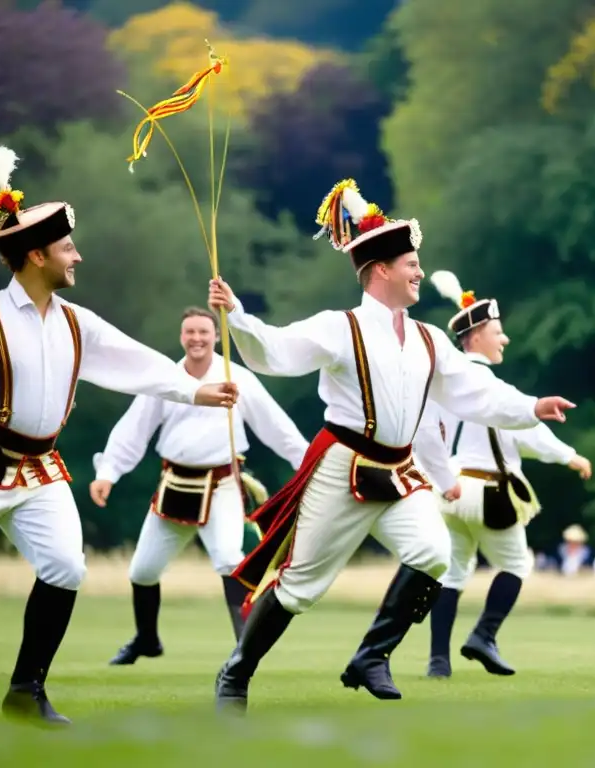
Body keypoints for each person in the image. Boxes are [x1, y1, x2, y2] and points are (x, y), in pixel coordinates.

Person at [208, 178, 576, 709]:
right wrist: (237, 315)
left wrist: (531, 407)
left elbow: (477, 390)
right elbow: (275, 351)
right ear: (380, 270)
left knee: (434, 553)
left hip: (399, 471)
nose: (420, 272)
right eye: (411, 265)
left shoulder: (428, 338)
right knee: (300, 588)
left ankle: (370, 657)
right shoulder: (341, 327)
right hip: (342, 466)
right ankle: (236, 675)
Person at [0, 144, 236, 726]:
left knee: (66, 569)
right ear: (34, 254)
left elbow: (137, 362)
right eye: (67, 247)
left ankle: (26, 692)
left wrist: (197, 391)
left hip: (41, 470)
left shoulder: (76, 321)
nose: (78, 256)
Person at [90, 306, 309, 665]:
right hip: (173, 486)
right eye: (190, 332)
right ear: (181, 337)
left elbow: (275, 426)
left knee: (228, 559)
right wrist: (108, 472)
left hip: (221, 485)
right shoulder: (165, 379)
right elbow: (134, 429)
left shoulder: (237, 379)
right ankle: (146, 640)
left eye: (204, 332)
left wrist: (305, 463)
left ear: (216, 336)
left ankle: (245, 647)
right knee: (142, 571)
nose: (196, 339)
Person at [421, 270, 593, 679]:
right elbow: (526, 429)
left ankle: (438, 661)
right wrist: (570, 456)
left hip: (447, 490)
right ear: (476, 336)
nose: (505, 339)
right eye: (498, 332)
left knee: (452, 573)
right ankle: (484, 635)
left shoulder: (443, 386)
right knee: (516, 565)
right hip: (487, 492)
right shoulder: (489, 386)